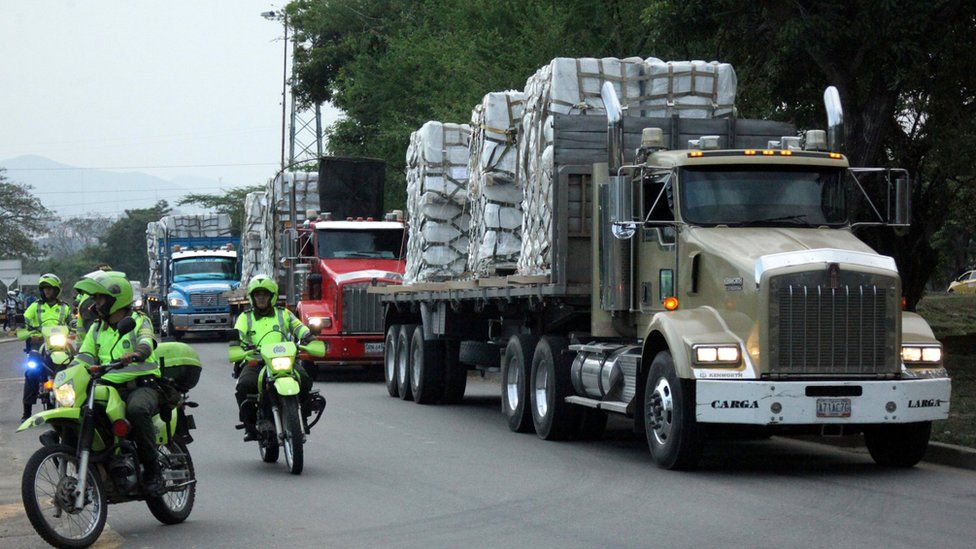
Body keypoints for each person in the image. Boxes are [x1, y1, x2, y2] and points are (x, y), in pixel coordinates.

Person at [72, 270, 164, 494]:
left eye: (100, 298)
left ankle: (153, 472)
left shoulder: (138, 320)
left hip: (141, 386)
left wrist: (137, 353)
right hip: (107, 388)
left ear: (116, 298)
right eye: (94, 299)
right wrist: (67, 370)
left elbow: (147, 339)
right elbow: (83, 357)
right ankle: (106, 466)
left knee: (137, 410)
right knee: (84, 414)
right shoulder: (96, 328)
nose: (96, 304)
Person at [233, 275, 313, 440]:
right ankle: (250, 425)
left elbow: (299, 327)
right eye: (257, 294)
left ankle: (301, 418)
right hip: (257, 361)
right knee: (244, 385)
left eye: (265, 294)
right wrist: (235, 343)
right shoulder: (245, 317)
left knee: (304, 379)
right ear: (252, 297)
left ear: (272, 296)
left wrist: (308, 336)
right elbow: (237, 334)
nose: (261, 298)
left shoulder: (284, 314)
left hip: (285, 359)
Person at [21, 274, 72, 421]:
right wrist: (28, 331)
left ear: (56, 290)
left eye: (50, 288)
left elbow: (73, 323)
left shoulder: (64, 308)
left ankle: (69, 406)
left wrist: (74, 330)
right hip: (39, 344)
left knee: (68, 370)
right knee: (31, 372)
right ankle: (27, 411)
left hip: (59, 346)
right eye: (44, 289)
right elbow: (24, 320)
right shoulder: (35, 306)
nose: (47, 291)